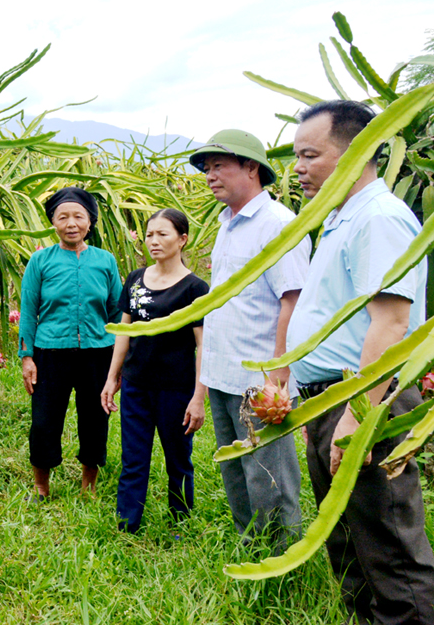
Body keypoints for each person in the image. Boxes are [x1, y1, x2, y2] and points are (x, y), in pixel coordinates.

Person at [286, 100, 434, 625]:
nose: (298, 168)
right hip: (333, 401)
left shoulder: (379, 217)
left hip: (364, 402)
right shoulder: (341, 218)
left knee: (389, 548)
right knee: (351, 546)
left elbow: (392, 324)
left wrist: (358, 416)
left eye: (310, 155)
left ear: (360, 152)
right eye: (297, 156)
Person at [189, 130, 308, 548]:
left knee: (269, 476)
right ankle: (251, 547)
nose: (210, 176)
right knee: (236, 469)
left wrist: (278, 377)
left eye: (219, 166)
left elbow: (293, 302)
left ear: (252, 168)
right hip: (223, 373)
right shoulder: (227, 224)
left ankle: (282, 560)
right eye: (207, 169)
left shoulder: (278, 225)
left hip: (260, 380)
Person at [102, 209, 208, 533]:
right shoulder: (135, 279)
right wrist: (112, 377)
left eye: (163, 234)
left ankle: (181, 522)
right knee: (134, 459)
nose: (154, 241)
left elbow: (204, 344)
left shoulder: (195, 288)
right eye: (150, 234)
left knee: (178, 459)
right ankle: (127, 524)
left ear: (182, 239)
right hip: (136, 385)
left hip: (176, 388)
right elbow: (125, 332)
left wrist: (199, 397)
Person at [18, 186, 123, 499]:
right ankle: (41, 484)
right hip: (50, 352)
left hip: (98, 353)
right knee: (44, 420)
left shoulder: (105, 262)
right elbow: (28, 311)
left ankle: (88, 483)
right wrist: (27, 357)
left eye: (79, 216)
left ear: (90, 221)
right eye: (63, 217)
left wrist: (119, 362)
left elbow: (118, 310)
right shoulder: (40, 261)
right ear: (53, 222)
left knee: (95, 419)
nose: (71, 223)